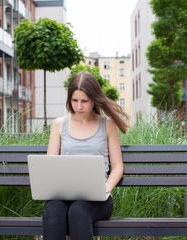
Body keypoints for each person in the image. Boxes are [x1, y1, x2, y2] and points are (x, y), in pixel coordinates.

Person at [44, 71, 129, 239]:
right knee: (53, 210)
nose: (79, 106)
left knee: (78, 211)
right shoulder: (59, 125)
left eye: (84, 101)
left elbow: (118, 166)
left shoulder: (107, 124)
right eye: (74, 100)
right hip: (64, 194)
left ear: (94, 99)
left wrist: (107, 188)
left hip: (98, 199)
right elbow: (49, 165)